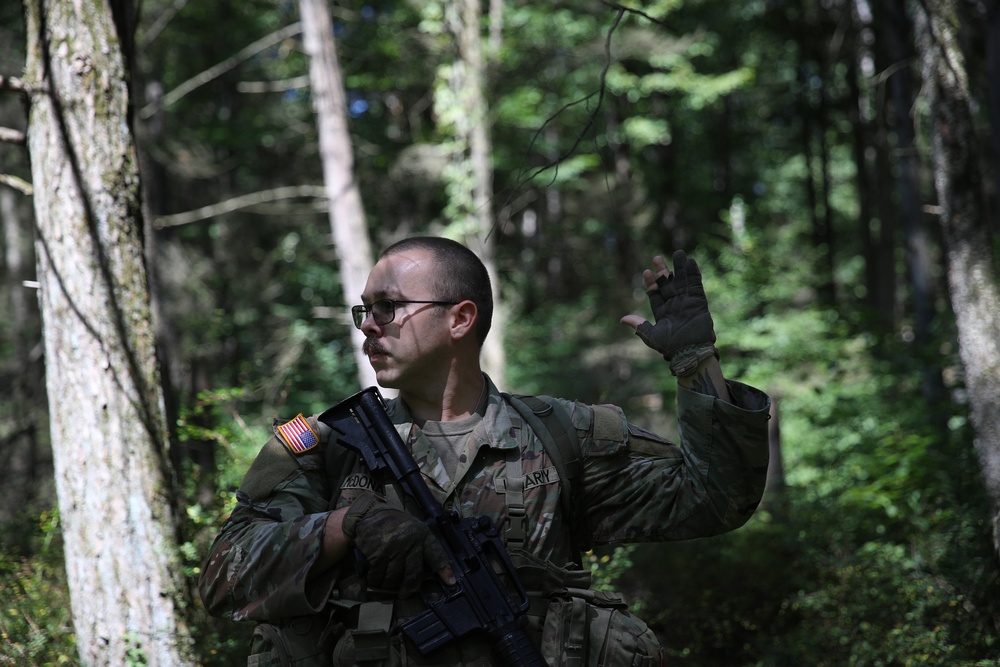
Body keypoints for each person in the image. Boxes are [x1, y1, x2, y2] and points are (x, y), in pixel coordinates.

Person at [199, 236, 771, 666]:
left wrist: (695, 362)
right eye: (364, 311)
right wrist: (348, 526)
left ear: (460, 318)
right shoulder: (327, 447)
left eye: (388, 308)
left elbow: (715, 498)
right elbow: (222, 579)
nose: (368, 328)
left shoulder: (562, 436)